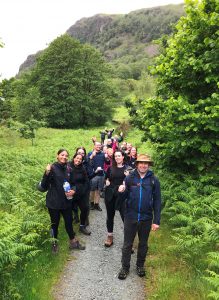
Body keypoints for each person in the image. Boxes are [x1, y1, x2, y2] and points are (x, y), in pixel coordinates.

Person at [117, 154, 161, 279]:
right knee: (127, 244)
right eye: (141, 163)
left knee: (143, 244)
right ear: (136, 164)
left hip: (146, 218)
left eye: (146, 163)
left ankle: (140, 265)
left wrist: (156, 220)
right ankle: (125, 267)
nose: (143, 165)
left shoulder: (154, 180)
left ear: (149, 165)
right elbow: (123, 198)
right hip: (131, 216)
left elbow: (157, 200)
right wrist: (121, 191)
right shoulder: (130, 178)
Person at [39, 149, 85, 253]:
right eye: (62, 155)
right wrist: (46, 173)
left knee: (69, 222)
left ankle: (73, 242)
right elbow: (44, 185)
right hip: (53, 202)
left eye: (66, 155)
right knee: (54, 224)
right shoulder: (52, 168)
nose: (64, 157)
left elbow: (73, 183)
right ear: (57, 156)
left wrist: (73, 190)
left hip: (66, 202)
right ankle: (54, 244)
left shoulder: (68, 168)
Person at [104, 150, 128, 247]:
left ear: (123, 157)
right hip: (110, 194)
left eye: (119, 156)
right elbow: (106, 178)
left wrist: (126, 182)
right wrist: (106, 181)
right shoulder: (110, 168)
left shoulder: (128, 169)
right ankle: (110, 236)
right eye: (115, 156)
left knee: (125, 217)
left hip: (122, 195)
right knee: (110, 216)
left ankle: (128, 241)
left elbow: (132, 182)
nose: (117, 157)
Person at [69, 153, 91, 235]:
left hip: (81, 193)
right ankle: (70, 229)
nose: (78, 160)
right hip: (70, 193)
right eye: (76, 158)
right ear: (73, 157)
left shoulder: (82, 168)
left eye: (80, 159)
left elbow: (86, 181)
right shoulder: (68, 167)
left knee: (85, 209)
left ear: (82, 161)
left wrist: (84, 191)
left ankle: (82, 226)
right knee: (69, 211)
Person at [88, 141, 106, 211]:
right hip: (93, 175)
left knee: (98, 191)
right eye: (97, 145)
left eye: (99, 145)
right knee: (92, 190)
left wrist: (107, 158)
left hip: (101, 175)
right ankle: (91, 204)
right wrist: (92, 156)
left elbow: (107, 162)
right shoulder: (90, 153)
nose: (98, 146)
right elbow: (87, 162)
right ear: (94, 146)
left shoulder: (103, 154)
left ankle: (97, 204)